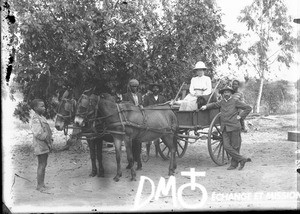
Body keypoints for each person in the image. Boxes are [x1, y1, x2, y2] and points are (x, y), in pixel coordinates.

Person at [200, 86, 252, 170]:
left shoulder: (235, 101)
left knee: (235, 146)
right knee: (226, 146)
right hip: (224, 128)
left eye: (228, 92)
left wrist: (240, 116)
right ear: (222, 94)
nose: (226, 94)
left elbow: (248, 108)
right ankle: (242, 159)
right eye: (224, 92)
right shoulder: (222, 102)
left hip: (234, 126)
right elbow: (214, 104)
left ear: (231, 93)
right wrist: (206, 106)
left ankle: (234, 165)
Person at [30, 99, 53, 191]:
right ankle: (39, 186)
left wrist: (50, 141)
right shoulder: (35, 118)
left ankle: (42, 184)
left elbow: (47, 130)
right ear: (35, 108)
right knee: (41, 164)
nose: (44, 108)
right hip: (40, 144)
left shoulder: (42, 117)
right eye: (42, 106)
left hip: (45, 144)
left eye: (44, 106)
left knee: (44, 164)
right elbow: (38, 133)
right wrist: (48, 140)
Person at [122, 79, 143, 170]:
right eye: (133, 86)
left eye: (136, 86)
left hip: (139, 119)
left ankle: (138, 162)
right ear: (130, 87)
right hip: (130, 120)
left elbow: (141, 104)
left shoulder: (139, 95)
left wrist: (141, 106)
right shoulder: (125, 96)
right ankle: (130, 162)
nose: (135, 88)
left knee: (138, 142)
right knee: (129, 143)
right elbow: (125, 106)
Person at [143, 82, 167, 157]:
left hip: (159, 119)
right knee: (148, 138)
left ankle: (157, 154)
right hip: (150, 119)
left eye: (157, 88)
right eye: (154, 88)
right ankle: (147, 153)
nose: (155, 89)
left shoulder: (162, 98)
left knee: (157, 137)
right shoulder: (147, 97)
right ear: (152, 90)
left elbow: (165, 108)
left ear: (159, 90)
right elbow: (145, 107)